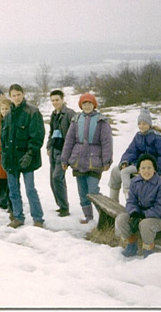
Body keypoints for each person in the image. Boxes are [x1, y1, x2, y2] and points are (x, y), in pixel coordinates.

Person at [61, 93, 113, 224]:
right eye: (84, 103)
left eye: (89, 103)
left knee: (93, 190)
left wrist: (107, 160)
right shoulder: (76, 119)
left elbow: (107, 142)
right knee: (82, 191)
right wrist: (64, 159)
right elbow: (69, 140)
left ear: (94, 104)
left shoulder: (101, 120)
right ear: (81, 105)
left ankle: (104, 216)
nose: (87, 106)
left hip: (95, 161)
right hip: (78, 160)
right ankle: (88, 217)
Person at [1, 84, 46, 228]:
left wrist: (30, 153)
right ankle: (18, 217)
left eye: (18, 94)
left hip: (27, 158)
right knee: (13, 190)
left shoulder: (32, 112)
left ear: (23, 94)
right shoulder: (8, 115)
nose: (16, 98)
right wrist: (4, 156)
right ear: (10, 97)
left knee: (30, 189)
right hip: (11, 159)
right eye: (13, 95)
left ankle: (38, 218)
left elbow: (38, 136)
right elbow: (4, 138)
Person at [109, 108, 161, 203]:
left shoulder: (158, 138)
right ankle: (112, 203)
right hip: (138, 165)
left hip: (152, 168)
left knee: (125, 172)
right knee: (115, 171)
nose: (141, 126)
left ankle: (129, 199)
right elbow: (131, 151)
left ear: (149, 124)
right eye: (139, 124)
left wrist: (155, 169)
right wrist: (125, 161)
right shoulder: (139, 136)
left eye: (144, 124)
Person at [115, 153, 161, 258]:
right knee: (121, 219)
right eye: (143, 168)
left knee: (145, 224)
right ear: (138, 170)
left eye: (149, 168)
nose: (146, 171)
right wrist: (134, 213)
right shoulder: (134, 183)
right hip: (139, 213)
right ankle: (131, 244)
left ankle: (148, 249)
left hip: (158, 218)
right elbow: (131, 201)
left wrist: (144, 215)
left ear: (154, 169)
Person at [46, 89, 76, 217]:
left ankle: (65, 207)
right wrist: (48, 146)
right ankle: (61, 205)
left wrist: (70, 153)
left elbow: (75, 134)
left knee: (57, 177)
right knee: (52, 180)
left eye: (57, 100)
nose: (55, 102)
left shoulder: (69, 114)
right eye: (52, 100)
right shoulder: (54, 114)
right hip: (54, 150)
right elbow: (51, 131)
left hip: (64, 151)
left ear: (63, 100)